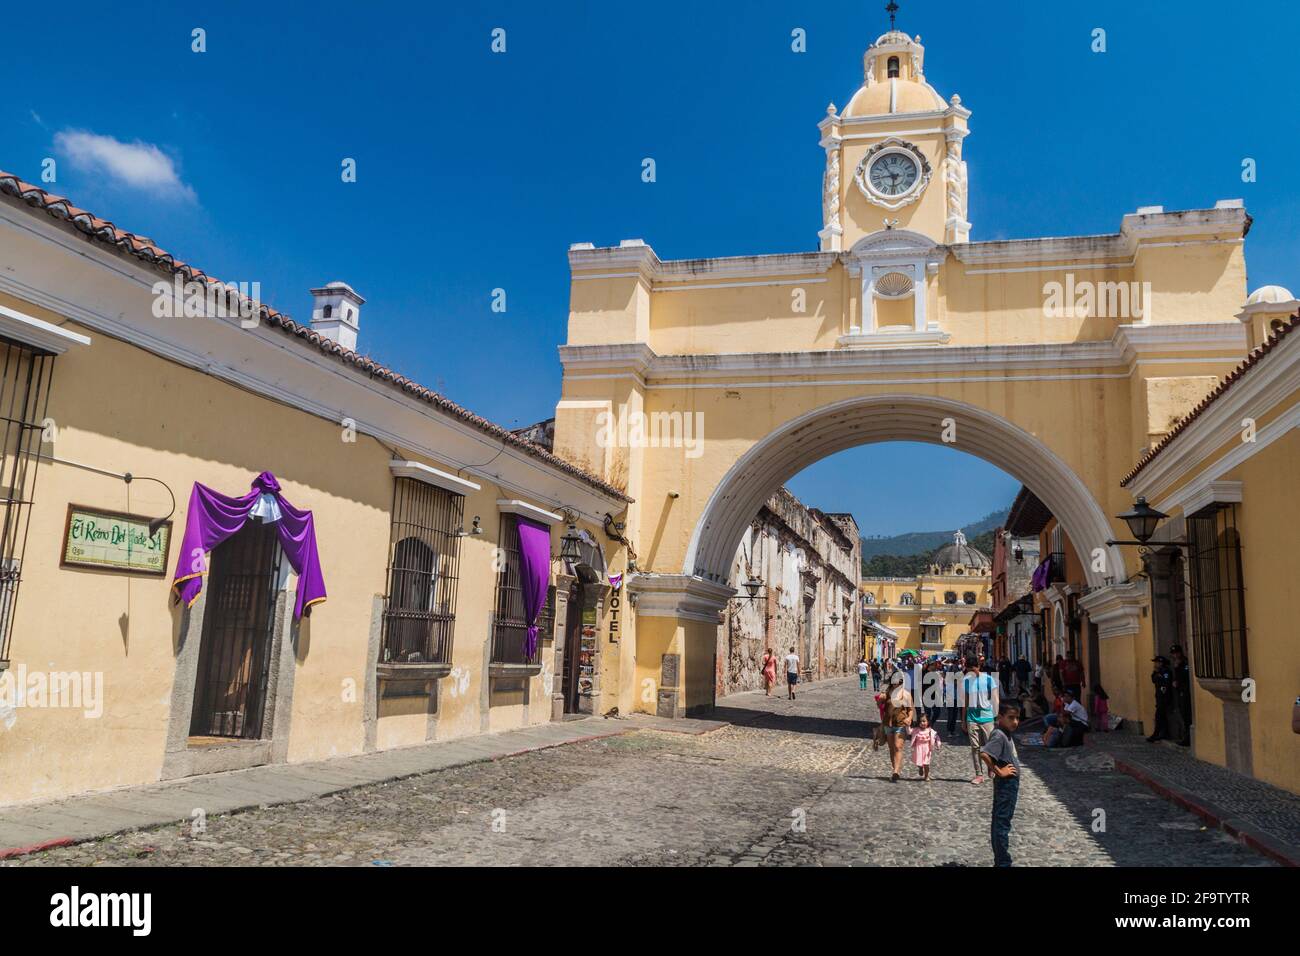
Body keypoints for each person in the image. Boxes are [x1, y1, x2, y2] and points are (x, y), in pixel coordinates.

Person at [980, 701, 1022, 867]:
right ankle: (1003, 862)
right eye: (1011, 718)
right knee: (1001, 823)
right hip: (1006, 785)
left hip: (1010, 784)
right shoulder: (999, 735)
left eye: (1017, 718)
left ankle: (1001, 860)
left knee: (1002, 821)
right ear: (1000, 718)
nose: (1015, 722)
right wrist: (999, 770)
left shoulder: (1005, 733)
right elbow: (984, 754)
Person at [962, 655, 998, 784]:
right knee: (975, 746)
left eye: (972, 670)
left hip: (987, 717)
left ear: (978, 667)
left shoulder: (989, 680)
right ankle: (979, 774)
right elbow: (965, 702)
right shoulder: (966, 681)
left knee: (990, 745)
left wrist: (996, 715)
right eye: (968, 670)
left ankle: (991, 766)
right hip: (972, 717)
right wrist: (963, 720)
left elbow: (995, 699)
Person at [882, 671, 914, 783]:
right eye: (894, 681)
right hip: (888, 723)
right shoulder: (887, 692)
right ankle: (895, 769)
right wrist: (880, 700)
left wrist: (909, 719)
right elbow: (880, 706)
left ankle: (895, 771)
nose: (896, 684)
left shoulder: (906, 694)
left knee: (897, 746)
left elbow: (910, 710)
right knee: (891, 748)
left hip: (900, 723)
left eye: (898, 682)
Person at [1169, 645, 1192, 747]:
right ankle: (1185, 735)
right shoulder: (1175, 664)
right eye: (1173, 653)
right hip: (1179, 692)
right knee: (1183, 714)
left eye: (1176, 653)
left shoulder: (1185, 663)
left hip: (1185, 691)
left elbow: (1186, 676)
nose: (1175, 655)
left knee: (1187, 715)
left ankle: (1187, 738)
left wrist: (1178, 668)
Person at [910, 712, 940, 782]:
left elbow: (936, 737)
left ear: (928, 722)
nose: (922, 723)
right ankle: (920, 768)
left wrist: (938, 744)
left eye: (924, 721)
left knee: (926, 764)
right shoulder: (916, 730)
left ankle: (926, 775)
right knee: (919, 762)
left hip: (927, 749)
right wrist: (907, 725)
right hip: (919, 749)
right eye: (920, 721)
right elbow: (909, 732)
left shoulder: (930, 731)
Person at [1148, 655, 1172, 742]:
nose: (1155, 664)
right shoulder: (1158, 671)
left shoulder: (1166, 672)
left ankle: (1156, 734)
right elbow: (1154, 680)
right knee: (1162, 716)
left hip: (1164, 697)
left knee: (1159, 716)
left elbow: (1166, 683)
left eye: (1157, 662)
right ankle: (1163, 733)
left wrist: (1158, 674)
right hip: (1159, 697)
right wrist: (1156, 673)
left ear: (1161, 663)